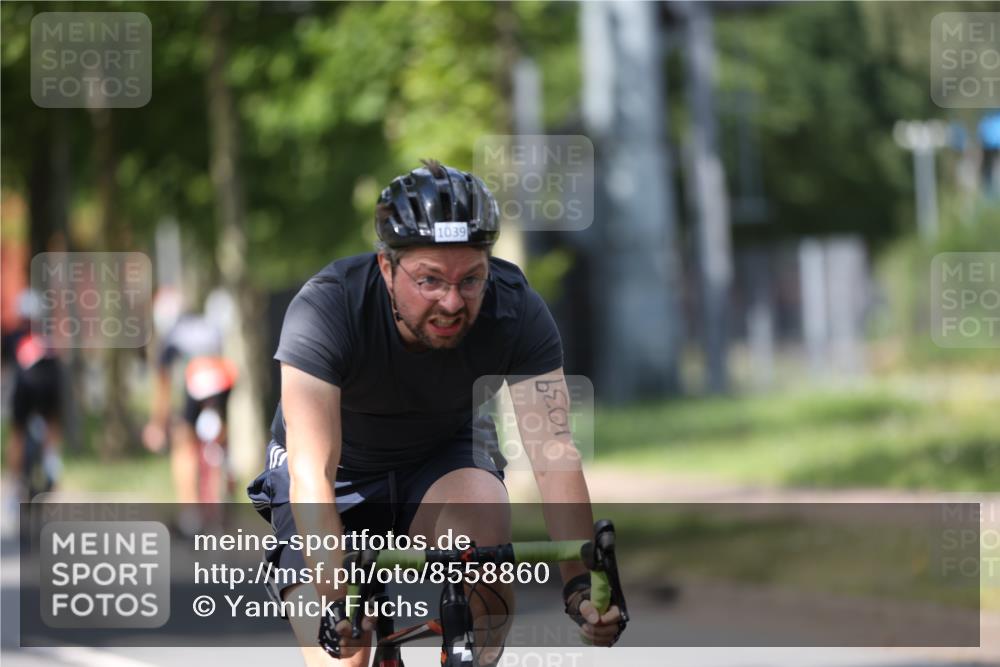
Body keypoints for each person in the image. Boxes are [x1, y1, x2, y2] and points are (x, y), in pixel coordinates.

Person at [247, 160, 624, 667]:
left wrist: (580, 585)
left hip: (440, 458)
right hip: (336, 476)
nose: (452, 302)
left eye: (471, 279)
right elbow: (311, 471)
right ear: (386, 266)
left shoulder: (515, 309)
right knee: (347, 654)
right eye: (429, 280)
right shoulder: (326, 309)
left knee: (484, 531)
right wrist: (338, 600)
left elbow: (553, 451)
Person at [143, 293, 237, 521]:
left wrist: (156, 424)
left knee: (183, 444)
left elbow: (163, 389)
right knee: (221, 438)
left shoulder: (170, 339)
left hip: (195, 382)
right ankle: (228, 472)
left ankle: (190, 511)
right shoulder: (206, 326)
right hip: (222, 379)